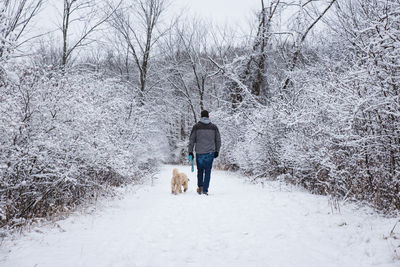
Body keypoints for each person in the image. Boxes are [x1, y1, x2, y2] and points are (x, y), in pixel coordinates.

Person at [188, 110, 221, 195]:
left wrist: (190, 151)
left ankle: (200, 187)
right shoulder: (214, 127)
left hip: (199, 152)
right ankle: (205, 190)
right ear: (208, 116)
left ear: (201, 116)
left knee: (200, 171)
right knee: (208, 171)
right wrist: (217, 150)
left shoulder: (196, 127)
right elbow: (218, 140)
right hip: (210, 153)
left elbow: (191, 140)